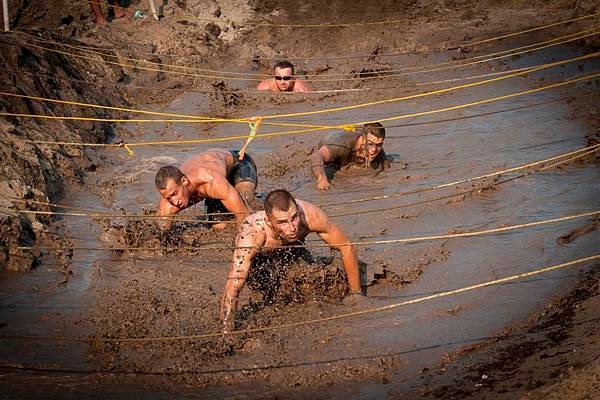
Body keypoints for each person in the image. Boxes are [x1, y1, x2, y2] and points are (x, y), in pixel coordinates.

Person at [220, 189, 363, 332]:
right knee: (270, 295)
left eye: (294, 218)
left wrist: (356, 294)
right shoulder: (252, 233)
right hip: (259, 261)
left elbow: (347, 247)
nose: (292, 227)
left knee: (311, 286)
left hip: (293, 250)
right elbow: (234, 284)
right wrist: (226, 332)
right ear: (269, 222)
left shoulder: (310, 215)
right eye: (282, 222)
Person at [155, 148, 258, 230]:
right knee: (219, 227)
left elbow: (243, 216)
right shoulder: (168, 203)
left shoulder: (210, 180)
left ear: (184, 181)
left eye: (175, 194)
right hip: (217, 182)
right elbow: (160, 231)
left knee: (246, 196)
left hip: (238, 162)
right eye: (168, 198)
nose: (174, 202)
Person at [310, 122, 389, 190]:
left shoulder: (377, 148)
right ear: (362, 138)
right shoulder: (342, 145)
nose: (374, 150)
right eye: (370, 144)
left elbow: (387, 168)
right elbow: (316, 156)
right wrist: (322, 177)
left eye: (379, 145)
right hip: (333, 140)